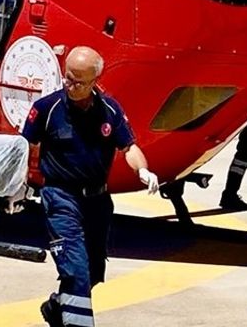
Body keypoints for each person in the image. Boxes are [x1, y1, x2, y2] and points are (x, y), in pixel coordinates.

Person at [22, 46, 159, 327]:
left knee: (94, 272)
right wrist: (17, 183)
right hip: (60, 198)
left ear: (95, 80)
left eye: (79, 82)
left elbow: (129, 147)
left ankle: (57, 306)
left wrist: (143, 170)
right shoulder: (47, 109)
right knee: (76, 271)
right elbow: (26, 146)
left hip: (97, 202)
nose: (70, 86)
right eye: (67, 78)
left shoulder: (109, 110)